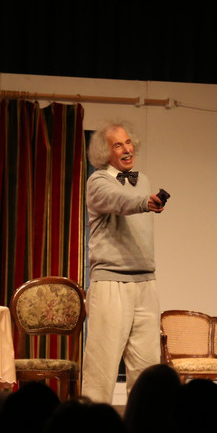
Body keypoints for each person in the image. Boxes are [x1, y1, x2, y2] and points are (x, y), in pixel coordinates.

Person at [81, 122, 166, 404]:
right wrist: (143, 202)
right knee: (102, 367)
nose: (127, 149)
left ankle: (145, 427)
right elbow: (117, 199)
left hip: (145, 282)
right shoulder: (98, 181)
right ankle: (92, 426)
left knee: (147, 370)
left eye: (128, 142)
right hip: (111, 282)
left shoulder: (143, 181)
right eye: (118, 145)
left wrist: (145, 199)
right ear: (105, 153)